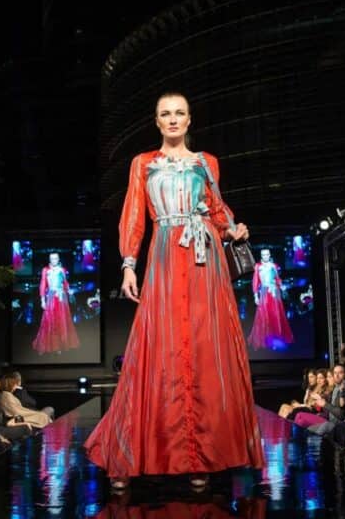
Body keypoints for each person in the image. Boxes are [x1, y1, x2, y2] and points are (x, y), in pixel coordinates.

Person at [83, 91, 263, 490]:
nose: (173, 119)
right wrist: (129, 264)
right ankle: (133, 452)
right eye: (166, 114)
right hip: (165, 255)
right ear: (157, 121)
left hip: (205, 261)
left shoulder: (207, 162)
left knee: (203, 349)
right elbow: (133, 215)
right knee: (158, 349)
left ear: (190, 119)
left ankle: (201, 457)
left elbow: (217, 209)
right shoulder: (143, 163)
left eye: (180, 113)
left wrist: (233, 229)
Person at [247, 248, 294, 351]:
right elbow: (255, 281)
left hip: (274, 291)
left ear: (269, 255)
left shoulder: (274, 266)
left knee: (276, 313)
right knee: (264, 314)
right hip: (264, 291)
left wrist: (281, 286)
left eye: (267, 254)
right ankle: (265, 338)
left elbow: (277, 279)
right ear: (261, 256)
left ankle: (277, 336)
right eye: (263, 255)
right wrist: (256, 295)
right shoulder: (258, 267)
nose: (266, 256)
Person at [34, 253, 80, 354]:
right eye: (52, 259)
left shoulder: (62, 270)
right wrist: (42, 300)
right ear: (49, 260)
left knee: (62, 320)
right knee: (49, 320)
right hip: (51, 296)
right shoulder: (46, 270)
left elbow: (65, 283)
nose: (54, 260)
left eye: (56, 258)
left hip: (61, 297)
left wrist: (69, 290)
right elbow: (43, 284)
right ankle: (47, 344)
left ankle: (59, 345)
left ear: (58, 259)